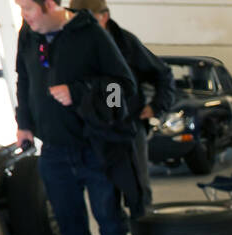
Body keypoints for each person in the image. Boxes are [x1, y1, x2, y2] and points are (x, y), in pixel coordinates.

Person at [14, 0, 145, 235]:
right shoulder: (28, 34)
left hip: (96, 147)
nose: (25, 17)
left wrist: (81, 92)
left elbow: (122, 87)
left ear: (49, 5)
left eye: (29, 9)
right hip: (55, 150)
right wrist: (24, 123)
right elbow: (24, 79)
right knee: (67, 217)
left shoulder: (90, 34)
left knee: (108, 217)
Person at [68, 0, 174, 209]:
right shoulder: (70, 45)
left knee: (138, 191)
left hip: (129, 128)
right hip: (92, 131)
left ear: (103, 17)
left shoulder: (126, 43)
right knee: (105, 197)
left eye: (87, 20)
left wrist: (156, 106)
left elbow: (162, 74)